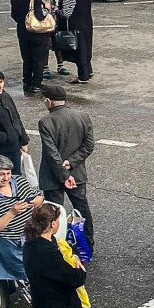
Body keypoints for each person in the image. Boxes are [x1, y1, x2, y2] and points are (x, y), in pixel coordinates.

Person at [38, 84, 96, 239]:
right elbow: (89, 145)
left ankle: (57, 244)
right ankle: (88, 244)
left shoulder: (46, 122)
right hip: (76, 173)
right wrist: (71, 162)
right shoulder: (83, 117)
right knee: (82, 209)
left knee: (54, 213)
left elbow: (52, 154)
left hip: (53, 176)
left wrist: (63, 174)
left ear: (49, 101)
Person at [0, 155, 40, 296]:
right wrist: (12, 212)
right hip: (12, 244)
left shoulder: (19, 181)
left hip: (31, 235)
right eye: (1, 174)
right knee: (24, 274)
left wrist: (36, 201)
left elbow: (39, 195)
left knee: (38, 269)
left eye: (8, 173)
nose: (6, 178)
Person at [12, 0, 53, 95]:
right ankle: (36, 84)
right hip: (37, 34)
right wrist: (46, 8)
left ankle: (26, 82)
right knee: (38, 59)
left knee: (26, 59)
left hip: (22, 33)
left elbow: (13, 15)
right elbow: (41, 16)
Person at [56, 0, 95, 83]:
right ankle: (89, 71)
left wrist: (57, 11)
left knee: (80, 52)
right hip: (87, 24)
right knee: (86, 48)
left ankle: (83, 76)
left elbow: (66, 13)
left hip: (76, 27)